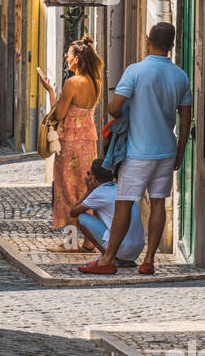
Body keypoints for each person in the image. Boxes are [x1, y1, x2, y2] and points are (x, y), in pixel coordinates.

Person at [79, 22, 192, 277]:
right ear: (172, 45)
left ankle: (108, 258)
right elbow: (186, 119)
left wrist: (129, 107)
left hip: (138, 152)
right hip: (166, 150)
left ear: (147, 40)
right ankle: (149, 259)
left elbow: (114, 108)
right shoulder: (180, 76)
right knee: (158, 203)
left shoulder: (135, 71)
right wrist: (180, 152)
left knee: (123, 204)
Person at [39, 35, 101, 237]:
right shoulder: (96, 82)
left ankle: (72, 242)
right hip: (88, 140)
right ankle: (89, 240)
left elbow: (60, 114)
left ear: (76, 59)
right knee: (86, 189)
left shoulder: (72, 83)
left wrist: (50, 93)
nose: (66, 57)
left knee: (67, 190)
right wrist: (51, 90)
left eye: (68, 55)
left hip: (70, 143)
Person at [69, 159, 144, 264]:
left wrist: (88, 191)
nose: (88, 176)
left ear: (94, 179)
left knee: (81, 218)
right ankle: (116, 257)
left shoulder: (99, 193)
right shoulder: (121, 189)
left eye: (89, 173)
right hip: (136, 250)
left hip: (123, 248)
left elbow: (73, 213)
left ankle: (109, 257)